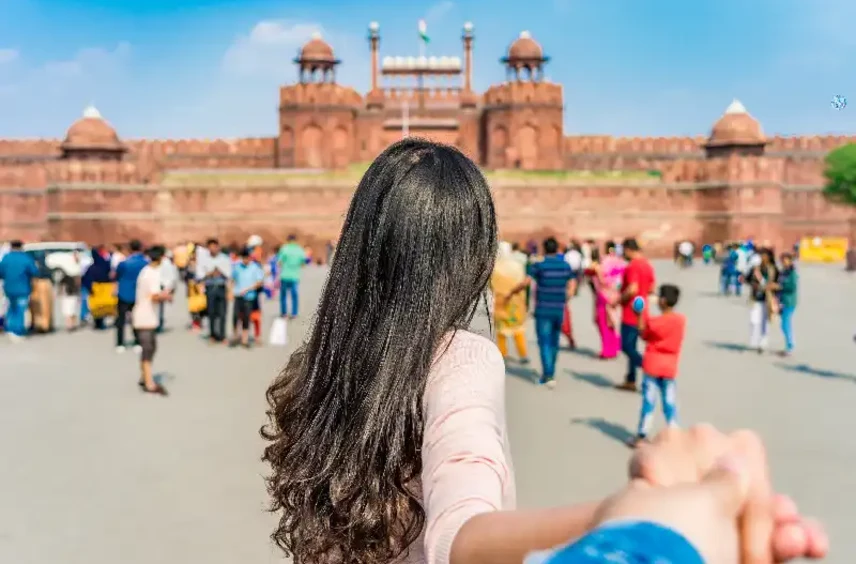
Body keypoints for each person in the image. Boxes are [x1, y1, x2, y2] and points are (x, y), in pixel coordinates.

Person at [260, 139, 827, 564]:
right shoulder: (458, 358)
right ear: (473, 255)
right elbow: (459, 532)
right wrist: (630, 526)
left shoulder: (322, 365)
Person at [508, 236, 577, 388]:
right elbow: (572, 283)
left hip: (543, 309)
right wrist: (567, 297)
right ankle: (550, 371)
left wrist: (512, 292)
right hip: (559, 308)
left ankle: (548, 374)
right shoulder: (565, 265)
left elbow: (526, 282)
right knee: (554, 341)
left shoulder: (539, 266)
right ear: (557, 249)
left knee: (544, 342)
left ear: (544, 249)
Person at [628, 284, 686, 447]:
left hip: (653, 366)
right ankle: (675, 434)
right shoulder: (680, 320)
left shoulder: (655, 322)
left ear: (663, 301)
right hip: (669, 367)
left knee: (649, 402)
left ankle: (642, 435)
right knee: (670, 403)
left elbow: (643, 333)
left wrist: (639, 314)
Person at [617, 238, 655, 392]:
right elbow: (652, 288)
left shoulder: (633, 266)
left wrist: (619, 299)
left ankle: (648, 367)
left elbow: (632, 288)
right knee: (632, 345)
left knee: (626, 346)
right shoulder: (647, 265)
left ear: (628, 249)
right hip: (643, 311)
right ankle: (630, 379)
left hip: (630, 313)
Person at [132, 246, 169, 396]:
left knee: (150, 347)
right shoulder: (152, 273)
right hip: (145, 317)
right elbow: (154, 296)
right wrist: (165, 295)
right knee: (148, 349)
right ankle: (149, 382)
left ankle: (144, 376)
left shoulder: (146, 271)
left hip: (144, 315)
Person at [491, 242, 529, 364]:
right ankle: (523, 354)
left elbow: (491, 285)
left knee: (501, 330)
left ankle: (503, 354)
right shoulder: (517, 266)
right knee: (518, 328)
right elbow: (523, 283)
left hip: (500, 301)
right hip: (516, 301)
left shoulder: (494, 267)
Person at [0, 240, 38, 342]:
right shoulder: (26, 258)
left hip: (9, 288)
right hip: (23, 288)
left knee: (11, 308)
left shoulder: (6, 258)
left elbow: (1, 272)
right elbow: (34, 271)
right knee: (20, 309)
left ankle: (10, 328)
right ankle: (18, 331)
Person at [114, 239, 148, 353]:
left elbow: (116, 275)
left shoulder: (123, 263)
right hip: (138, 294)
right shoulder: (145, 263)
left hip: (123, 292)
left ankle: (120, 343)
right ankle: (137, 342)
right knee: (137, 319)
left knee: (121, 319)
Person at [197, 238, 231, 344]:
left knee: (222, 312)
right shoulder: (203, 259)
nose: (213, 249)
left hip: (221, 287)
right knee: (211, 312)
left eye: (214, 246)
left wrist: (220, 272)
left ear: (218, 247)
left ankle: (222, 335)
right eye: (210, 247)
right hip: (210, 287)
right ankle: (213, 335)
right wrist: (210, 273)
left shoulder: (224, 258)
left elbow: (229, 274)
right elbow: (199, 274)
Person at [231, 247, 264, 348]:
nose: (245, 260)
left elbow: (259, 282)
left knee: (246, 317)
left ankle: (245, 339)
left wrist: (248, 289)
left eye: (247, 258)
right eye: (244, 258)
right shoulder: (237, 267)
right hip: (238, 295)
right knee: (236, 316)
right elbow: (232, 279)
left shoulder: (255, 267)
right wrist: (230, 291)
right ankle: (236, 336)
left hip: (249, 297)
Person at [748, 248, 779, 354]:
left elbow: (778, 283)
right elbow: (748, 279)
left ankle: (762, 342)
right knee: (754, 320)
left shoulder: (773, 269)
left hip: (768, 298)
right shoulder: (755, 268)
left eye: (765, 256)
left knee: (764, 322)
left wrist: (774, 290)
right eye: (761, 256)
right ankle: (755, 340)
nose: (763, 258)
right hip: (756, 297)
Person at [277, 234, 306, 319]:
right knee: (295, 295)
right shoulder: (299, 249)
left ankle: (284, 313)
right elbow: (303, 263)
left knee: (283, 295)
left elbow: (279, 262)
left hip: (285, 276)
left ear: (288, 240)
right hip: (295, 276)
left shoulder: (284, 248)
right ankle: (294, 313)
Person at [778, 253, 798, 356]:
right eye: (783, 260)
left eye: (786, 260)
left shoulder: (792, 273)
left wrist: (780, 286)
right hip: (782, 301)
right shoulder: (783, 272)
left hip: (789, 301)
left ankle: (790, 346)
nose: (784, 262)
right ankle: (789, 345)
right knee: (784, 324)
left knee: (785, 324)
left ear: (790, 261)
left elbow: (792, 287)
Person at [58, 251, 83, 331]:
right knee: (68, 309)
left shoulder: (78, 268)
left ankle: (72, 324)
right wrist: (60, 291)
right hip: (68, 292)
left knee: (73, 309)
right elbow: (62, 283)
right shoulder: (69, 269)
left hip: (74, 292)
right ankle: (69, 324)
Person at [157, 250, 179, 333]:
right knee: (159, 308)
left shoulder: (166, 263)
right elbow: (172, 277)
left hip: (162, 287)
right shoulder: (166, 263)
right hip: (161, 287)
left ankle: (159, 324)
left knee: (159, 308)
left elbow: (171, 277)